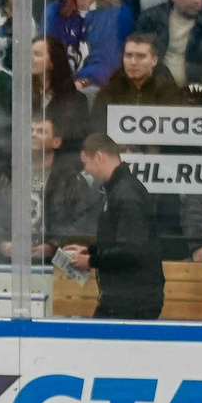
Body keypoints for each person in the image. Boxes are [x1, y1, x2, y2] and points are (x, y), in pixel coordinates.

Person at [73, 133, 163, 320]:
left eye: (86, 163)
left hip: (132, 300)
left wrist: (91, 261)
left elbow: (131, 250)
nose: (86, 171)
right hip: (124, 296)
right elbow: (118, 239)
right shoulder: (118, 191)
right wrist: (89, 250)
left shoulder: (126, 194)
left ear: (99, 157)